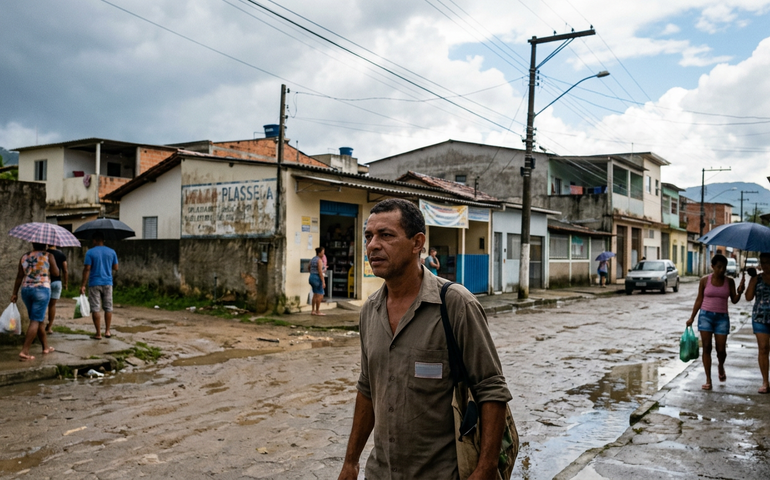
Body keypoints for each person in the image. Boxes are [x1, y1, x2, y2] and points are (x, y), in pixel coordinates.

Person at [338, 198, 512, 480]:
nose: (372, 245)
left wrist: (485, 469)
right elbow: (367, 387)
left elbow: (491, 389)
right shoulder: (370, 310)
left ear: (417, 243)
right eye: (368, 236)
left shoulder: (455, 304)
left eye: (386, 235)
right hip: (380, 473)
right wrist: (351, 462)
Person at [686, 254, 745, 390]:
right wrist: (692, 317)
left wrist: (740, 292)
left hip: (722, 318)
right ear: (712, 267)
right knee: (706, 347)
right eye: (718, 267)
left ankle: (720, 365)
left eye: (724, 267)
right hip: (705, 316)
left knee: (721, 350)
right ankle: (708, 379)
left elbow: (734, 300)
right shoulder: (704, 281)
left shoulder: (729, 282)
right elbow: (699, 299)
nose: (721, 270)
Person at [10, 242, 59, 360]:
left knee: (38, 318)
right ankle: (25, 351)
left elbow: (19, 276)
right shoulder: (48, 256)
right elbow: (56, 273)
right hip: (42, 290)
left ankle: (45, 347)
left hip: (26, 290)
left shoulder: (24, 256)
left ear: (32, 243)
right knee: (35, 320)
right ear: (45, 244)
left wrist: (14, 293)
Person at [80, 232, 118, 339]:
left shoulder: (90, 252)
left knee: (95, 308)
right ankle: (107, 331)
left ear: (95, 240)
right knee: (108, 307)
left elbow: (87, 269)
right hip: (108, 282)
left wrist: (83, 285)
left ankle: (98, 333)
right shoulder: (112, 252)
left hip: (94, 283)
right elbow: (116, 267)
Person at [744, 252, 770, 394]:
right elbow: (748, 297)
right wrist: (750, 282)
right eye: (763, 263)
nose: (766, 266)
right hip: (760, 317)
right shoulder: (757, 279)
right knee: (764, 348)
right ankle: (765, 381)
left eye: (768, 262)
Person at [46, 245, 68, 334]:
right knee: (52, 305)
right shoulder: (61, 255)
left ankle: (39, 325)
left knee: (42, 304)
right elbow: (65, 270)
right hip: (57, 282)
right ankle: (49, 327)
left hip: (45, 281)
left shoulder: (45, 254)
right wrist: (66, 283)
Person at [308, 247, 326, 316]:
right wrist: (323, 281)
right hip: (317, 278)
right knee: (320, 295)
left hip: (311, 277)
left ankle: (313, 310)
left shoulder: (313, 259)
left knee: (315, 294)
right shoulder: (319, 260)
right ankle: (317, 311)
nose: (323, 253)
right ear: (319, 253)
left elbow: (309, 267)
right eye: (322, 252)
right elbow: (320, 272)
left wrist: (312, 273)